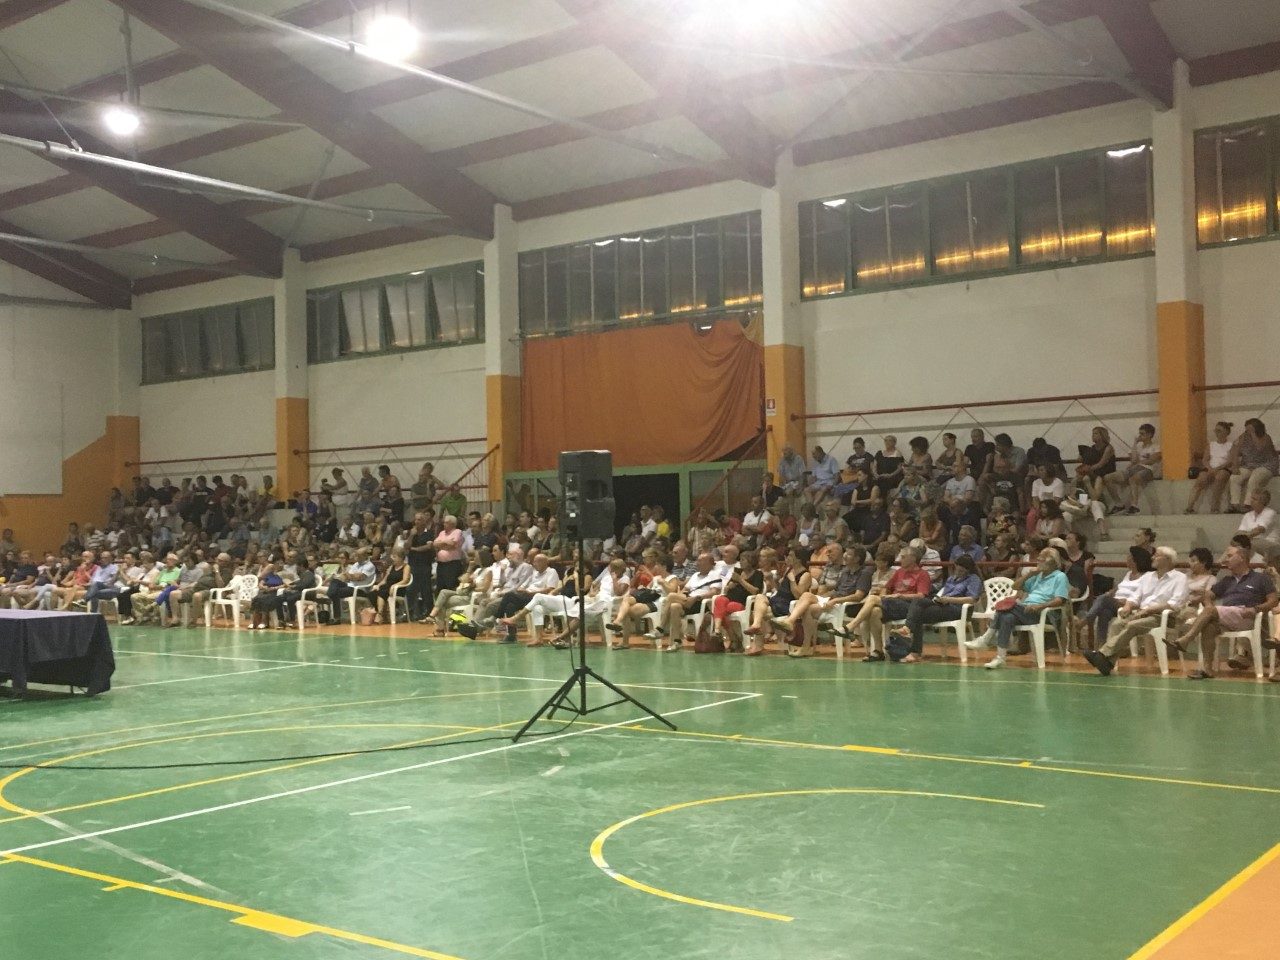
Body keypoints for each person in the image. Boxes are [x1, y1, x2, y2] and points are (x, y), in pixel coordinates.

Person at [1164, 545, 1278, 680]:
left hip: (1246, 616)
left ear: (1242, 558)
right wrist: (1208, 606)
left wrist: (1255, 609)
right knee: (1208, 627)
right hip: (1226, 616)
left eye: (1230, 556)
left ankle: (1186, 639)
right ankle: (1208, 669)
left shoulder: (1260, 578)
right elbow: (1208, 595)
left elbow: (1273, 601)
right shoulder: (1227, 580)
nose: (1225, 560)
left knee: (1211, 611)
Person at [1083, 546, 1188, 675]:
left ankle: (1103, 654)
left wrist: (1149, 610)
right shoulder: (1148, 577)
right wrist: (1128, 606)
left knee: (1133, 625)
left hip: (1163, 616)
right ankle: (1108, 663)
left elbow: (1174, 604)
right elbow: (1135, 597)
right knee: (1117, 624)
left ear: (1168, 560)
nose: (1153, 557)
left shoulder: (1180, 578)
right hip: (1141, 613)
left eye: (1157, 555)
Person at [966, 548, 1070, 669]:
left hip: (1044, 613)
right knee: (1006, 617)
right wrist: (1029, 574)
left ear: (1051, 562)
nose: (1038, 560)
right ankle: (1000, 657)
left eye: (1042, 559)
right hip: (1026, 611)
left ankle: (985, 638)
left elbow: (1060, 600)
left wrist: (1040, 606)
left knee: (1006, 606)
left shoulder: (1060, 577)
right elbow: (1015, 586)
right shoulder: (1037, 576)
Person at [887, 554, 982, 662]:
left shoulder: (973, 579)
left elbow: (972, 599)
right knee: (918, 601)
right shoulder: (952, 578)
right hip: (944, 605)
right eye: (957, 568)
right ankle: (908, 632)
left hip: (958, 609)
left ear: (968, 570)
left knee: (918, 614)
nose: (958, 572)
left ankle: (914, 649)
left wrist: (949, 600)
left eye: (961, 571)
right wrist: (940, 599)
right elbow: (944, 593)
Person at [1108, 423, 1162, 515]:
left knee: (1133, 478)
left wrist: (1138, 463)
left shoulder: (1156, 447)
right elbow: (1133, 460)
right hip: (1134, 468)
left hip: (1148, 470)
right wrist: (1135, 444)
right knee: (1108, 478)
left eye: (1142, 434)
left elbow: (1151, 461)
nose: (1140, 436)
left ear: (1149, 435)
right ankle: (1119, 504)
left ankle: (1134, 506)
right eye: (1139, 433)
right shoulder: (1137, 447)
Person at [1227, 418, 1277, 513]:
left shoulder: (1266, 437)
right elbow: (1235, 451)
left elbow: (1259, 448)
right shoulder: (1243, 437)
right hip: (1248, 465)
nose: (1247, 431)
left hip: (1266, 465)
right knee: (1234, 478)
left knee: (1254, 478)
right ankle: (1235, 504)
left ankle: (1248, 504)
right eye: (1246, 429)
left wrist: (1253, 434)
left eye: (1250, 429)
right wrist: (1235, 466)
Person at [1186, 421, 1235, 514]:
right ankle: (1189, 507)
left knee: (1219, 478)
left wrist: (1217, 469)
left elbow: (1230, 461)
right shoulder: (1211, 444)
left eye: (1219, 430)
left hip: (1223, 468)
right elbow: (1205, 460)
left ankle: (1214, 508)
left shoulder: (1231, 445)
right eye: (1216, 430)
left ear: (1226, 432)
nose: (1217, 433)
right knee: (1200, 480)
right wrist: (1210, 469)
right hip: (1211, 468)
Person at [372, 548, 412, 624]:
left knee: (382, 591)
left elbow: (405, 580)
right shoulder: (391, 567)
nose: (392, 558)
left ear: (400, 558)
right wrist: (378, 585)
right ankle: (382, 615)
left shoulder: (406, 567)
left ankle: (379, 615)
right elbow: (384, 580)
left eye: (394, 557)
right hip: (387, 587)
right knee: (373, 592)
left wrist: (394, 586)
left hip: (399, 589)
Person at [1237, 490, 1280, 560]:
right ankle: (1220, 564)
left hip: (1271, 544)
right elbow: (1240, 531)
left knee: (1247, 544)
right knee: (1234, 545)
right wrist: (1238, 539)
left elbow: (1259, 530)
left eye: (1254, 499)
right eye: (1251, 498)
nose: (1251, 501)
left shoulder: (1270, 513)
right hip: (1251, 541)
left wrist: (1243, 538)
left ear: (1263, 502)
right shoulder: (1247, 515)